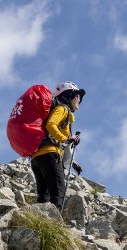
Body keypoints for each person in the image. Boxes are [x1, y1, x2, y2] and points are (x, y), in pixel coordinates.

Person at [30, 81, 85, 210]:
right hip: (50, 155)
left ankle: (37, 225)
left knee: (43, 197)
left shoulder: (58, 110)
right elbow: (51, 125)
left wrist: (72, 162)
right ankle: (53, 226)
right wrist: (65, 138)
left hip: (38, 157)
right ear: (69, 95)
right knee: (58, 196)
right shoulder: (62, 108)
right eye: (77, 96)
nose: (79, 100)